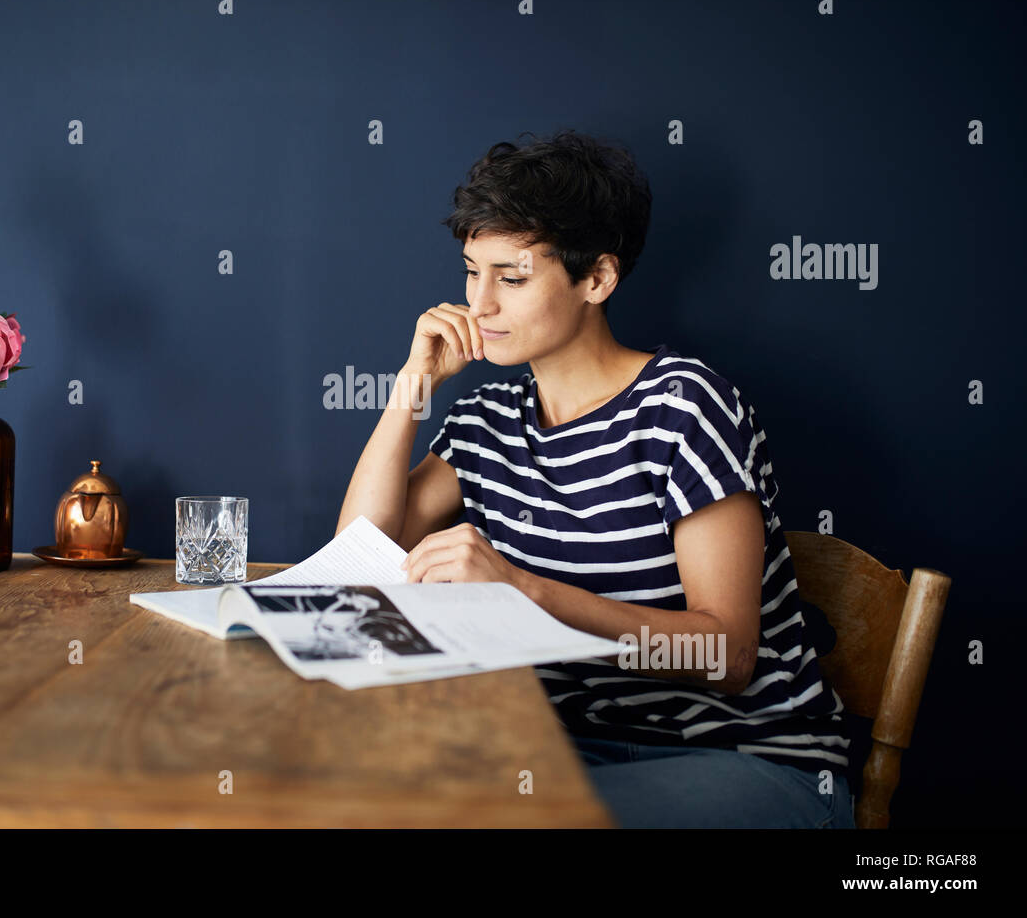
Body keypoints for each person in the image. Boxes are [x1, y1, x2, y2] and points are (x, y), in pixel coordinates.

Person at [335, 130, 855, 828]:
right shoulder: (489, 420)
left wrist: (523, 591)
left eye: (511, 278)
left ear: (598, 280)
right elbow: (357, 561)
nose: (479, 305)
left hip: (745, 758)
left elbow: (725, 654)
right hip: (554, 748)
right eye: (470, 271)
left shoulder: (684, 409)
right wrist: (411, 387)